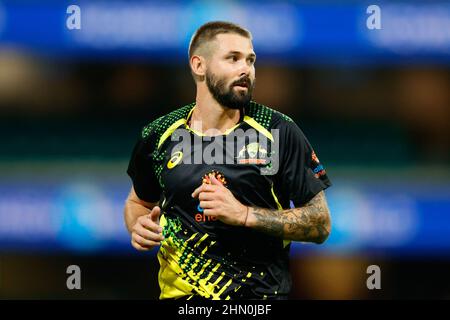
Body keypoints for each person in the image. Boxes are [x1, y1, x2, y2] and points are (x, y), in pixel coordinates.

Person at [124, 21, 332, 300]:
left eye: (250, 60)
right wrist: (138, 227)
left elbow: (320, 224)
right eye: (233, 58)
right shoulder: (159, 134)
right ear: (199, 66)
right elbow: (137, 202)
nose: (246, 69)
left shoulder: (278, 131)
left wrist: (244, 215)